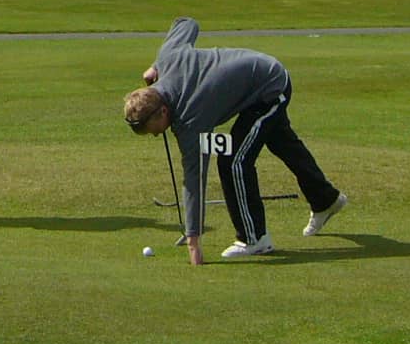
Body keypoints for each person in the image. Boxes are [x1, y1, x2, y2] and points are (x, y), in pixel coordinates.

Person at [124, 16, 346, 265]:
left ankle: (255, 238)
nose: (156, 134)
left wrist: (193, 239)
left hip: (270, 88)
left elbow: (194, 179)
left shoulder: (190, 120)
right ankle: (326, 200)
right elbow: (186, 24)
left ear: (163, 111)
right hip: (256, 82)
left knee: (233, 160)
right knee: (283, 144)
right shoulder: (168, 56)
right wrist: (157, 66)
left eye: (155, 129)